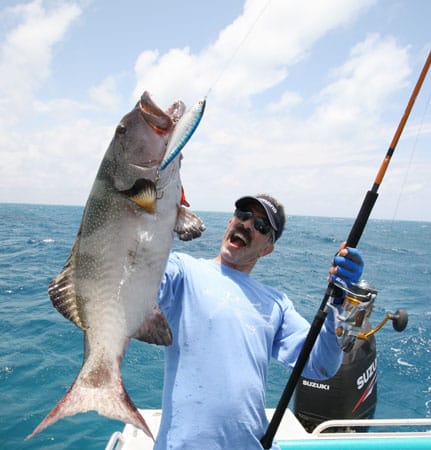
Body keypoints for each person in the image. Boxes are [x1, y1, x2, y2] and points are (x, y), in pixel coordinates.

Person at [155, 194, 363, 450]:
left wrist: (339, 301)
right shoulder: (183, 270)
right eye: (243, 214)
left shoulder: (276, 304)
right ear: (230, 222)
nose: (248, 224)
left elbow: (322, 365)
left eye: (262, 226)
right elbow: (135, 282)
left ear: (267, 249)